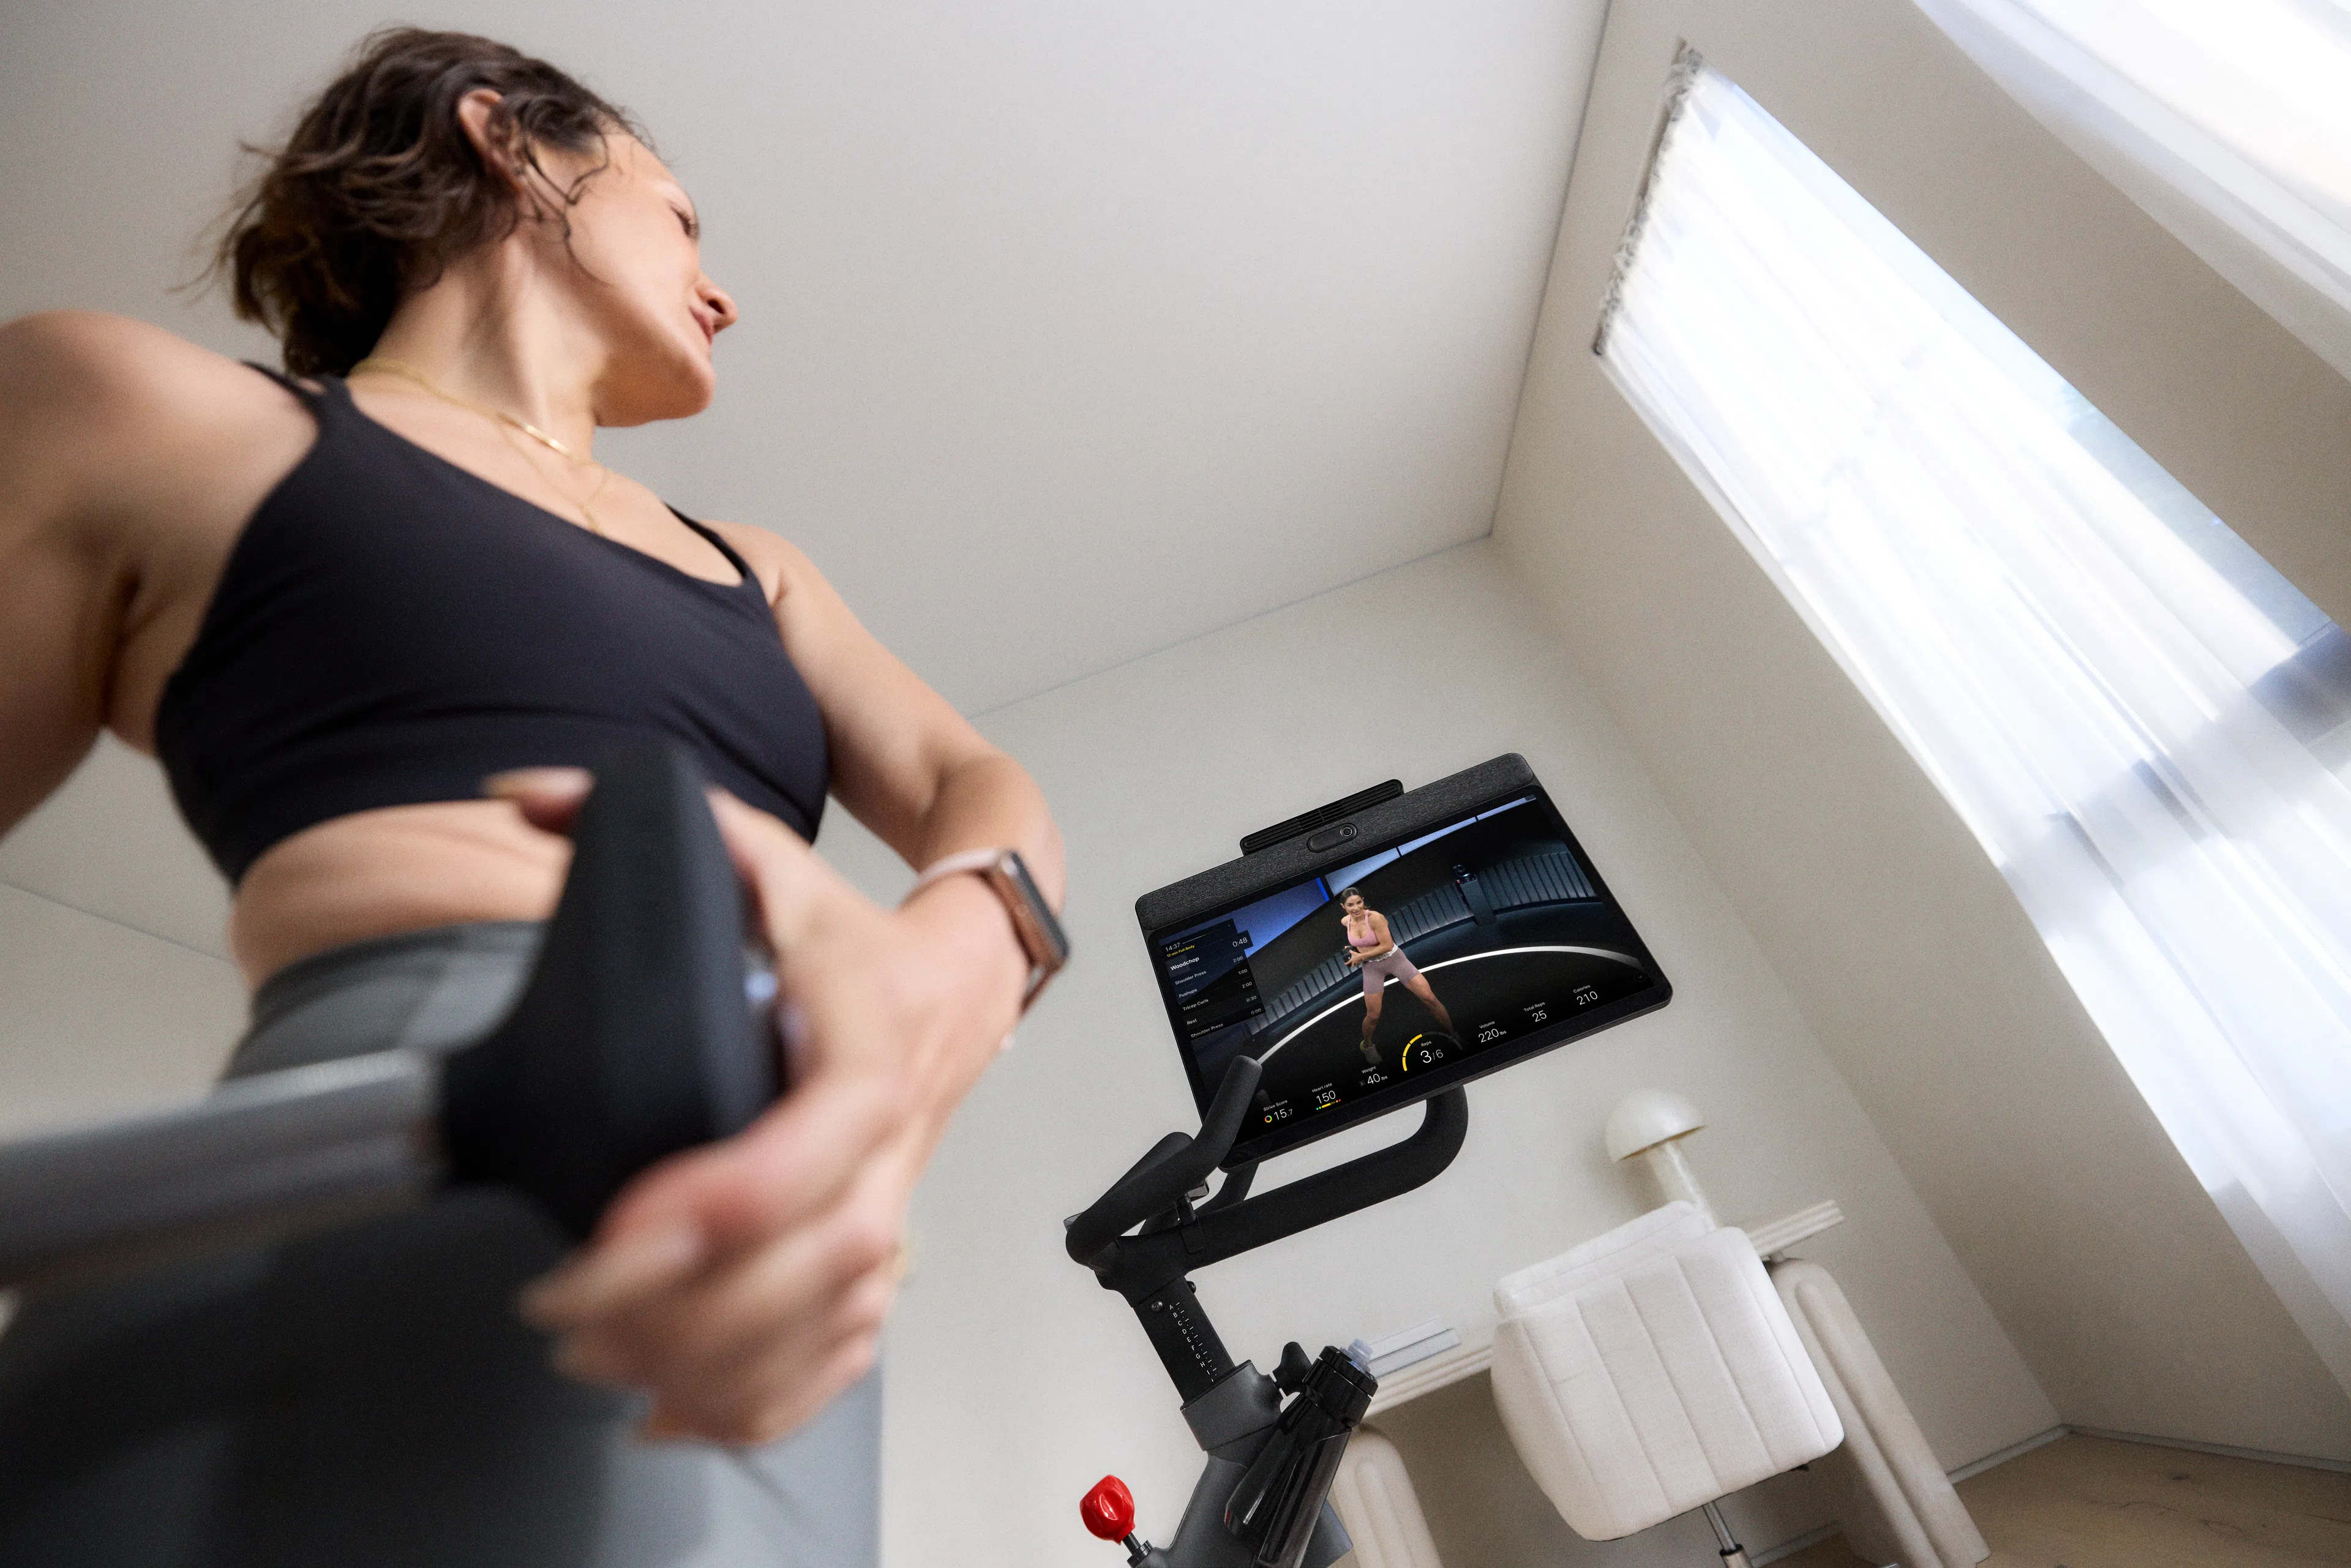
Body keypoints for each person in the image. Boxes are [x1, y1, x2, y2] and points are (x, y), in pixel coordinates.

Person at [0, 28, 1062, 1566]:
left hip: (760, 1270)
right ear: (507, 141)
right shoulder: (154, 415)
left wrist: (948, 975)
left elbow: (978, 783)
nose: (723, 291)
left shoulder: (759, 573)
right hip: (345, 1165)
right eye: (681, 218)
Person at [1338, 887, 1457, 1068]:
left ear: (1363, 901)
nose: (1356, 908)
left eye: (1359, 903)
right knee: (1373, 1015)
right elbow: (1359, 942)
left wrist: (1360, 956)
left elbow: (1386, 945)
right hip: (1372, 968)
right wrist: (1352, 950)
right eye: (1350, 905)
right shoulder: (1345, 922)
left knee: (1430, 998)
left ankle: (1453, 1035)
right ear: (1343, 907)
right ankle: (1367, 1045)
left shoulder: (1375, 918)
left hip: (1394, 959)